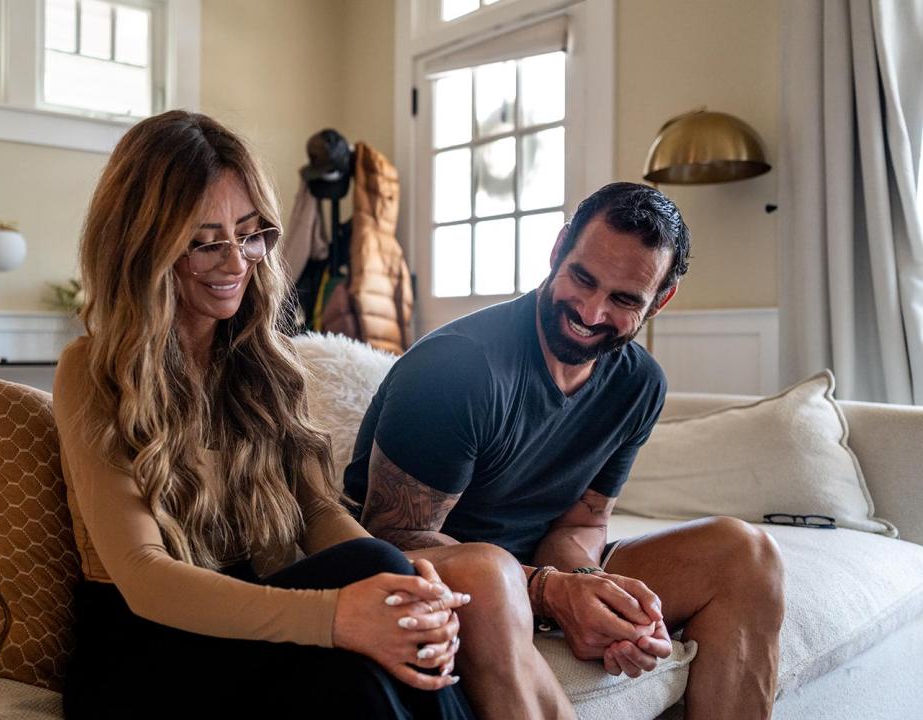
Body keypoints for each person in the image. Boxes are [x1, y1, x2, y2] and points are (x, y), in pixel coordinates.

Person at [53, 110, 571, 720]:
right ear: (144, 246)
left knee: (380, 598)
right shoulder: (94, 370)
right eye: (205, 242)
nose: (236, 263)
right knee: (364, 612)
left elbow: (319, 512)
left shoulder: (264, 364)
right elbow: (144, 575)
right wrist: (338, 614)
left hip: (245, 619)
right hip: (143, 649)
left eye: (250, 234)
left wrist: (403, 587)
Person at [345, 182, 787, 719]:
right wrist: (550, 594)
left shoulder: (640, 385)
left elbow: (581, 524)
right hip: (461, 577)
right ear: (559, 249)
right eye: (583, 278)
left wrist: (597, 593)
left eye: (624, 300)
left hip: (533, 571)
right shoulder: (457, 368)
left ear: (660, 301)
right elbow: (391, 537)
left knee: (746, 555)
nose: (592, 312)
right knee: (491, 570)